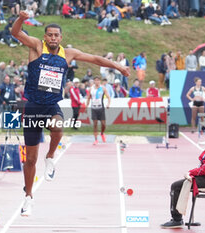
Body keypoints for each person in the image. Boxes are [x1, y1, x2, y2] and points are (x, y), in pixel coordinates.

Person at [11, 11, 130, 216]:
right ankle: (28, 196)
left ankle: (50, 156)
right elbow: (15, 32)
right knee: (30, 160)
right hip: (33, 107)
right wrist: (21, 18)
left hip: (51, 106)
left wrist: (117, 66)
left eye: (56, 35)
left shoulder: (69, 53)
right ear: (45, 36)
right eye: (50, 35)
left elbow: (95, 59)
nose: (53, 38)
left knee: (58, 127)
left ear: (61, 37)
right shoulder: (36, 46)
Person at [161, 143, 205, 228]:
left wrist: (190, 173)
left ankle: (177, 219)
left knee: (176, 186)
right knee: (180, 184)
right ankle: (177, 218)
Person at [86, 76, 111, 145]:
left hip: (101, 108)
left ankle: (102, 133)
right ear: (94, 81)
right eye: (95, 80)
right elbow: (88, 98)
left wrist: (108, 104)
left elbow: (108, 97)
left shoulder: (102, 88)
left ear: (100, 81)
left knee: (103, 124)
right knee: (95, 123)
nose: (97, 81)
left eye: (98, 80)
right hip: (94, 108)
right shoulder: (91, 89)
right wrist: (86, 105)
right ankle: (96, 139)